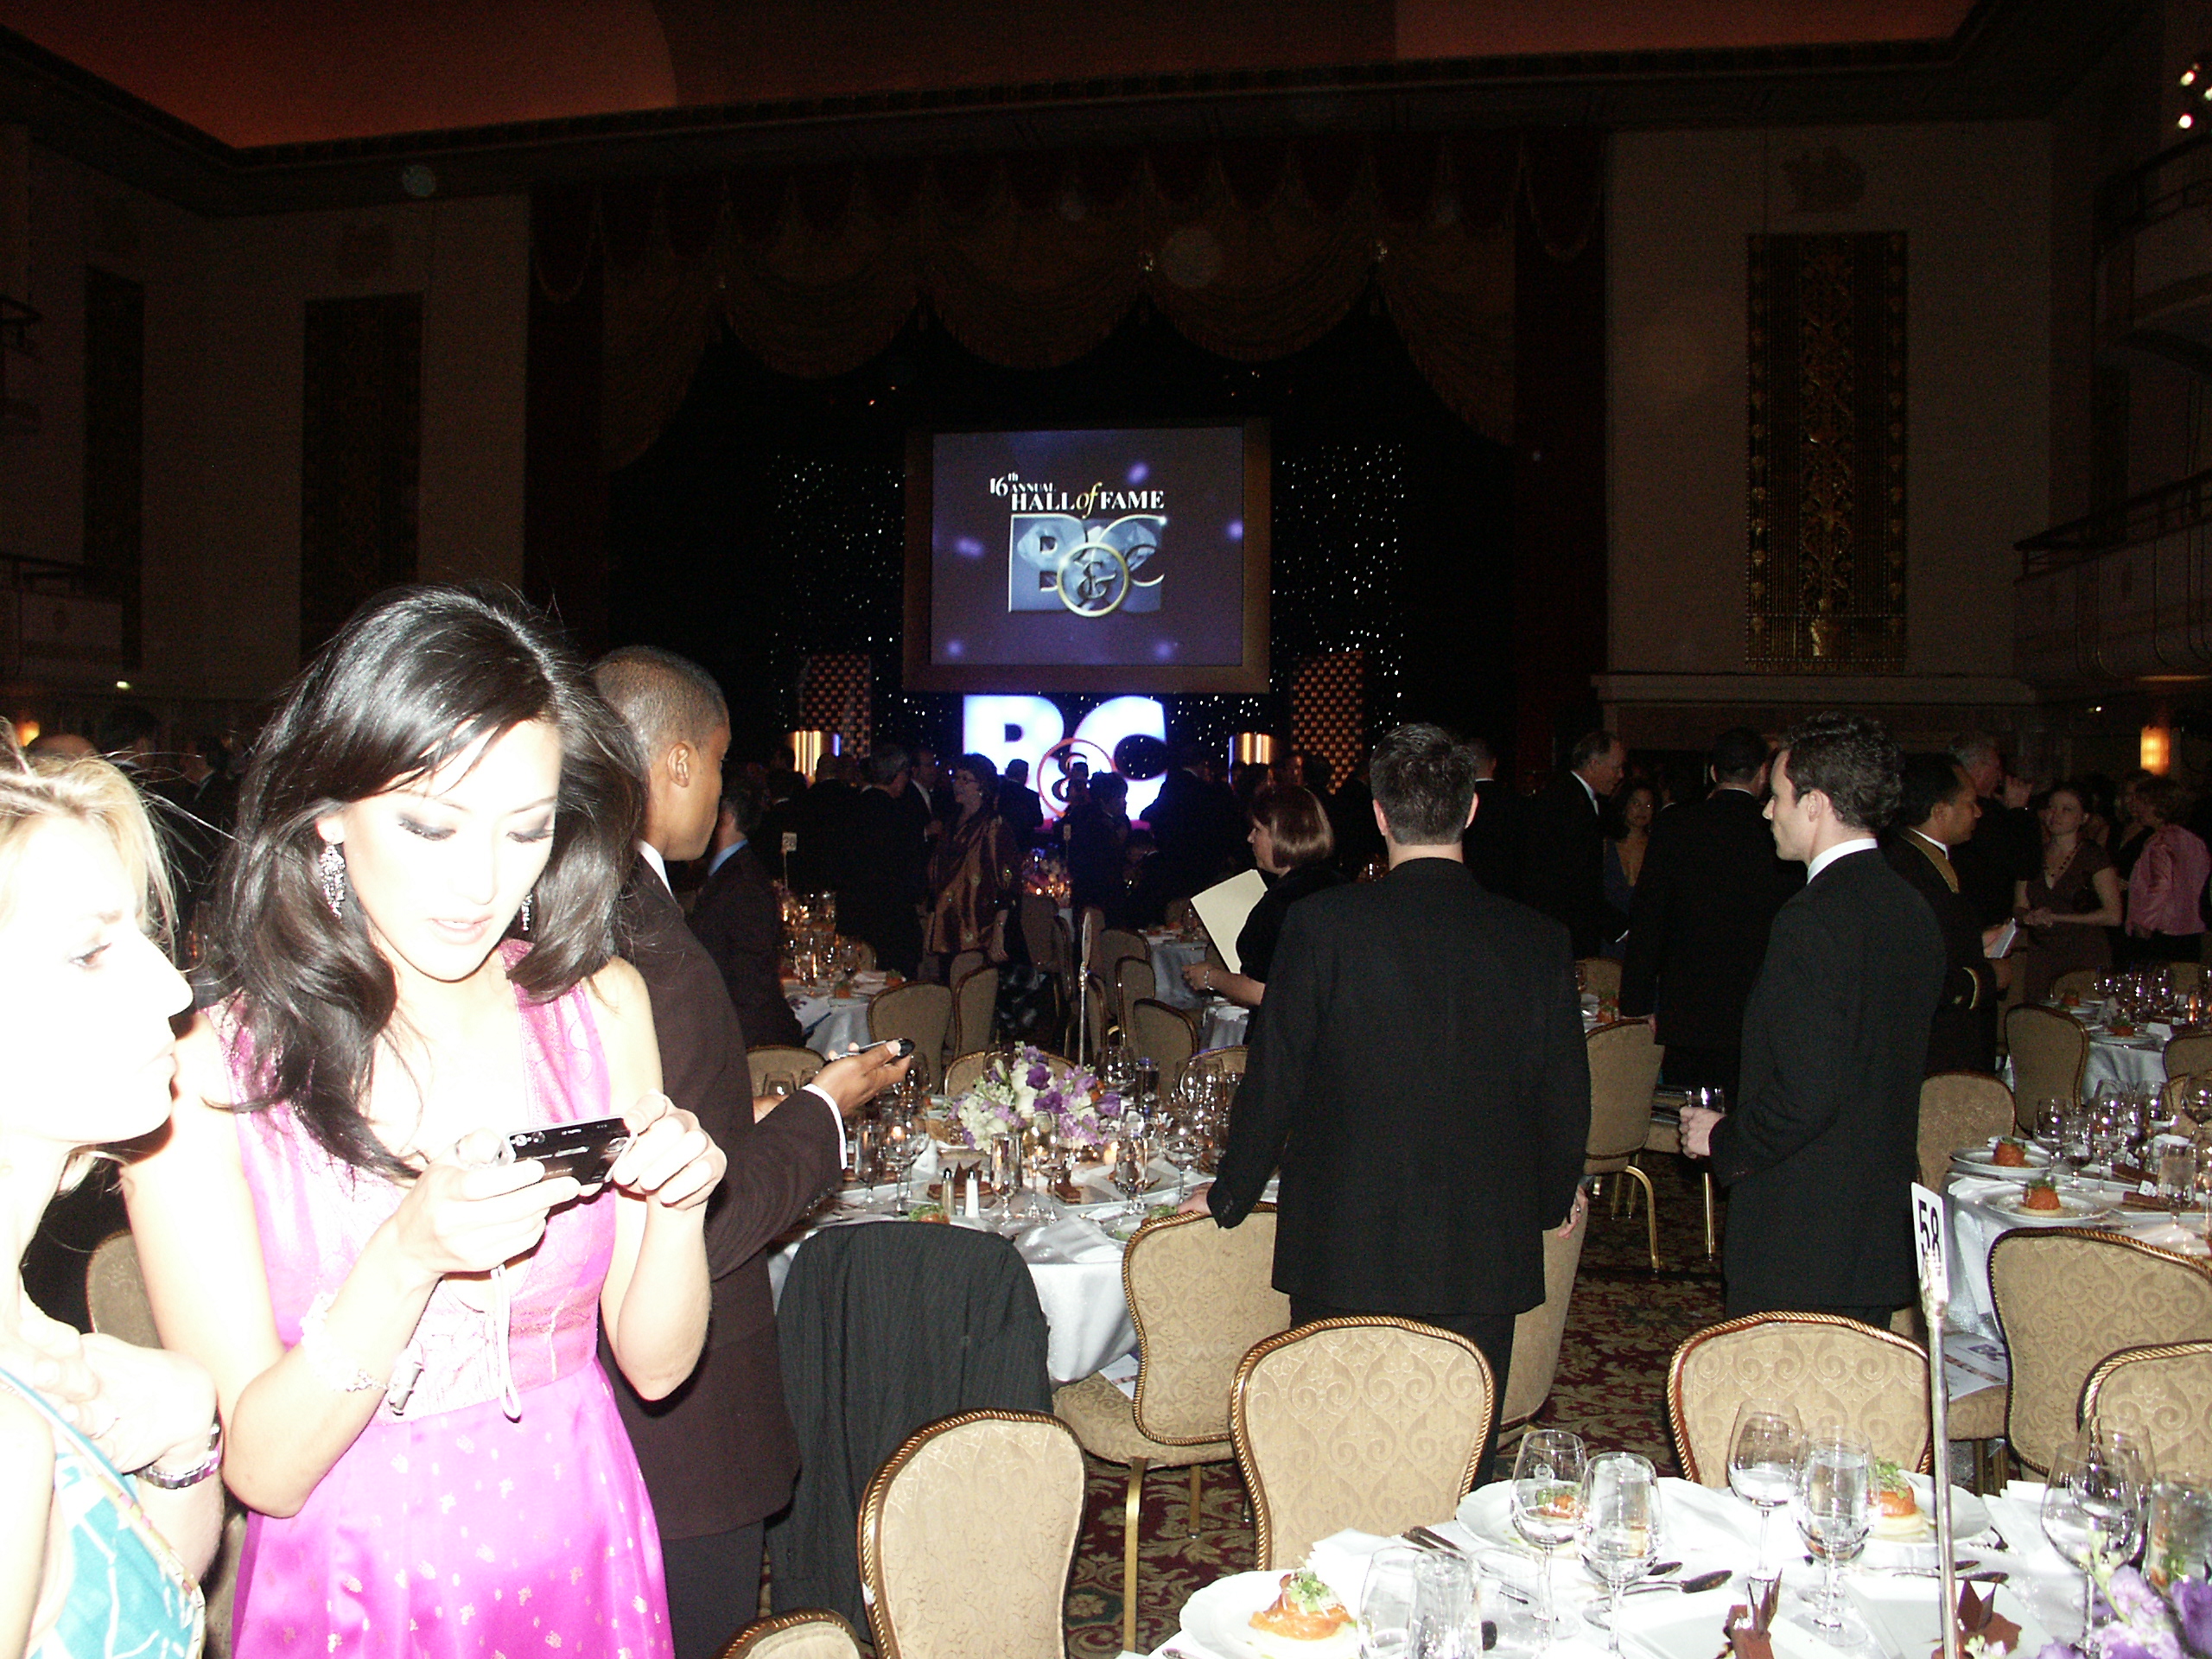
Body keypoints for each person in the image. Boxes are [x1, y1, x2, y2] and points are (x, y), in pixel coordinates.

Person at [122, 585, 728, 1658]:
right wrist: (403, 1260)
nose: (480, 882)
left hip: (581, 1536)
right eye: (431, 825)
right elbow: (263, 1472)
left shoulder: (598, 1008)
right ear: (328, 813)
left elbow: (657, 1367)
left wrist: (677, 1207)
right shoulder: (209, 1069)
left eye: (525, 830)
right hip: (361, 1582)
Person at [591, 646, 911, 1659]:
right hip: (682, 1428)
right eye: (722, 763)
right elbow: (704, 1225)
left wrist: (749, 1104)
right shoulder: (648, 947)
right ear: (680, 762)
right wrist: (822, 1110)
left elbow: (629, 1131)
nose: (724, 790)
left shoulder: (584, 906)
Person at [1201, 724, 1590, 1479]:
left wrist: (1228, 1195)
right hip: (1482, 1238)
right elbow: (1564, 1092)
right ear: (1470, 810)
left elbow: (1276, 1080)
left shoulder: (1325, 925)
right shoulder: (1537, 938)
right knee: (1458, 1462)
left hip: (1345, 1234)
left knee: (1338, 1462)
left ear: (1379, 816)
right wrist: (1548, 1200)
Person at [0, 742, 224, 1657]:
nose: (172, 989)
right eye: (90, 954)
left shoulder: (25, 1322)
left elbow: (137, 1600)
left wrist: (185, 1436)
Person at [1680, 713, 1943, 1324]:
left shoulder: (1814, 919)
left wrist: (1722, 1137)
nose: (1768, 812)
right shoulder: (1910, 906)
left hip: (1803, 1233)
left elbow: (1807, 1093)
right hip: (1872, 1230)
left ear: (1817, 804)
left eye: (1778, 797)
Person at [1618, 727, 1802, 1098]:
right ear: (1763, 774)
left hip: (1688, 1006)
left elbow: (1649, 917)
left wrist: (1636, 1002)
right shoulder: (1776, 831)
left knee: (1688, 1112)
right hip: (1755, 1008)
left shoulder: (1676, 825)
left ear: (1714, 772)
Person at [1883, 754, 2005, 1075]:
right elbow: (1918, 976)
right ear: (1940, 811)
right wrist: (1989, 978)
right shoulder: (1911, 871)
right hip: (1931, 1049)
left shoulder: (1920, 858)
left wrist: (1976, 943)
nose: (1978, 812)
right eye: (1969, 804)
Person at [1179, 783, 1343, 1017]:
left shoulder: (1282, 901)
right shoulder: (1339, 885)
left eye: (1257, 830)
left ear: (1283, 834)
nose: (1250, 838)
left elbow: (1261, 990)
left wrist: (1210, 976)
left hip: (1291, 1029)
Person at [691, 777, 807, 1050]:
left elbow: (752, 984)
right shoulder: (729, 873)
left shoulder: (744, 884)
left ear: (726, 816)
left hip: (745, 1041)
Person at [1522, 729, 1627, 957]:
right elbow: (1575, 878)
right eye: (1616, 768)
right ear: (1594, 764)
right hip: (1564, 927)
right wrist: (1617, 925)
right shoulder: (1567, 803)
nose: (1620, 775)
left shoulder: (1574, 796)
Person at [2013, 781, 2120, 1001]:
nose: (2056, 815)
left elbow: (2113, 915)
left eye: (2067, 809)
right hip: (2043, 954)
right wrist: (2029, 916)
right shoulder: (2033, 854)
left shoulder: (2093, 856)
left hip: (2083, 953)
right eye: (2052, 808)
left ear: (2084, 818)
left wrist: (2057, 917)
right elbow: (2019, 907)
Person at [923, 753, 1016, 979]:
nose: (958, 785)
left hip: (978, 926)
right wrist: (933, 921)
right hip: (948, 924)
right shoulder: (951, 822)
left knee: (973, 989)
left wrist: (999, 931)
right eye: (956, 778)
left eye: (966, 779)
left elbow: (1007, 882)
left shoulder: (992, 825)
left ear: (982, 786)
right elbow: (939, 874)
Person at [836, 747, 925, 977]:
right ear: (896, 776)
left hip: (855, 915)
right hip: (892, 919)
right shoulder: (900, 815)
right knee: (895, 984)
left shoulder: (851, 808)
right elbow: (911, 867)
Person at [1947, 732, 2039, 929]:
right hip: (1981, 920)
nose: (2000, 776)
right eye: (1996, 767)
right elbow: (2026, 865)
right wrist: (2018, 811)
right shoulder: (1982, 813)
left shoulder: (1953, 804)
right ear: (1978, 768)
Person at [2122, 774, 2211, 963]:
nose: (2137, 808)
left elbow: (2161, 885)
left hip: (2163, 929)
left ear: (2158, 806)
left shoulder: (2161, 842)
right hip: (2192, 927)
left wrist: (2144, 922)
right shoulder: (2194, 841)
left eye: (2143, 802)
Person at [1459, 735, 1524, 899]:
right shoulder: (1517, 802)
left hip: (1470, 890)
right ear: (1494, 763)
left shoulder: (1458, 803)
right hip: (1511, 891)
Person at [1065, 772, 1132, 927]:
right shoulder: (1090, 823)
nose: (1124, 802)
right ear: (1104, 800)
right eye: (1120, 798)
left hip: (1110, 891)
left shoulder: (1121, 821)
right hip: (1096, 892)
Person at [1599, 780, 1656, 954]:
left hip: (1645, 936)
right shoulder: (1605, 845)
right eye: (1636, 803)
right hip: (1608, 935)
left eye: (1648, 805)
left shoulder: (1657, 849)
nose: (1642, 810)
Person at [996, 758, 1044, 848]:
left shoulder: (997, 792)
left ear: (1008, 771)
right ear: (1024, 775)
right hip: (1022, 844)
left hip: (997, 842)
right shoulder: (1031, 796)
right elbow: (1039, 821)